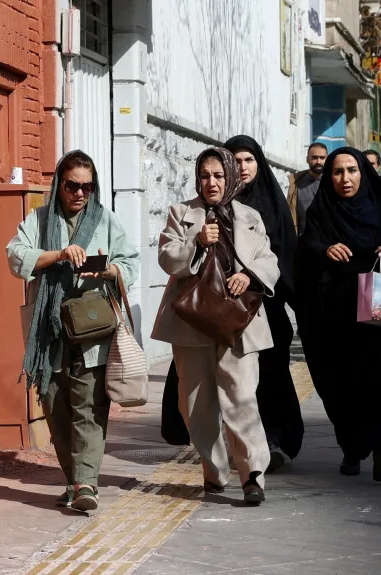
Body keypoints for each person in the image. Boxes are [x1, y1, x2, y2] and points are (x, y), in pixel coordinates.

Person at [7, 150, 140, 512]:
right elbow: (16, 257)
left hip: (94, 327)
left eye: (87, 186)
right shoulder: (38, 220)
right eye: (72, 185)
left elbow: (131, 263)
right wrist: (59, 255)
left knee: (89, 405)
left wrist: (109, 270)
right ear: (59, 184)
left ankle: (87, 484)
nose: (80, 193)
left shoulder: (106, 221)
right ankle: (73, 480)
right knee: (54, 405)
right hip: (49, 332)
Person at [151, 147, 280, 505]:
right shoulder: (181, 213)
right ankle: (214, 470)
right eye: (205, 175)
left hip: (238, 321)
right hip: (192, 321)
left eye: (219, 175)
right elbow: (167, 260)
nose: (212, 182)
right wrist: (196, 240)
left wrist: (249, 276)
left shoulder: (250, 215)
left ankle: (253, 474)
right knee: (195, 405)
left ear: (231, 177)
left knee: (241, 398)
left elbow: (269, 258)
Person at [296, 147, 381, 482]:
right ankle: (353, 447)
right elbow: (305, 251)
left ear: (364, 173)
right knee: (341, 383)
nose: (345, 179)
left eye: (352, 170)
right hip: (334, 311)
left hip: (378, 303)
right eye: (337, 172)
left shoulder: (380, 206)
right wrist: (324, 249)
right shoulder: (322, 211)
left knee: (378, 378)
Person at [224, 134, 304, 472]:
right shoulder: (217, 200)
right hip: (227, 309)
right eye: (236, 161)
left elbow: (286, 257)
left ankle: (274, 439)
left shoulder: (272, 203)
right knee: (235, 381)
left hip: (268, 309)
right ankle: (242, 444)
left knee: (272, 376)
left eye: (249, 160)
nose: (242, 168)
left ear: (259, 164)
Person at [287, 142, 328, 235]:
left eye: (322, 158)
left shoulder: (334, 182)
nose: (318, 161)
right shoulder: (294, 183)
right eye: (314, 157)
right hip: (302, 242)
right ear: (307, 159)